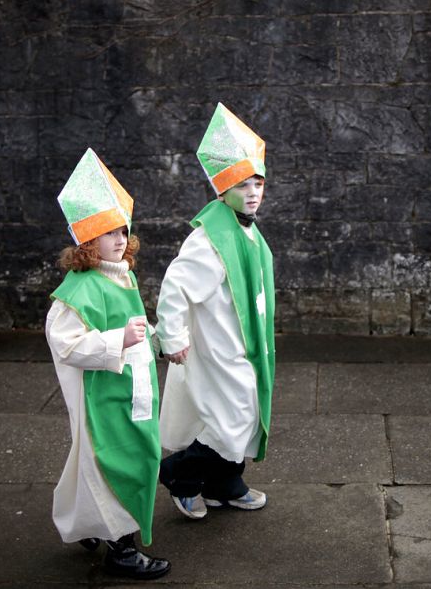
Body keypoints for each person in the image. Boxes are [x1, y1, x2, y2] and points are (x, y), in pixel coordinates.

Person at [45, 148, 170, 580]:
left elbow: (132, 322)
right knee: (120, 461)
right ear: (87, 241)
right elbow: (65, 343)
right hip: (106, 395)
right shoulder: (80, 289)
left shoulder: (120, 273)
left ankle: (89, 525)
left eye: (123, 230)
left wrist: (153, 339)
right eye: (108, 233)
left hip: (130, 387)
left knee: (114, 460)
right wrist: (119, 340)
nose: (120, 240)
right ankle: (121, 549)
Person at [156, 102, 275, 520]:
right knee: (233, 418)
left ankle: (225, 484)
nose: (254, 192)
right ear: (223, 190)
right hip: (217, 347)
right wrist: (171, 338)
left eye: (259, 183)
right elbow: (176, 285)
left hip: (244, 345)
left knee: (247, 414)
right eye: (244, 185)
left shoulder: (249, 233)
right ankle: (179, 476)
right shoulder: (210, 239)